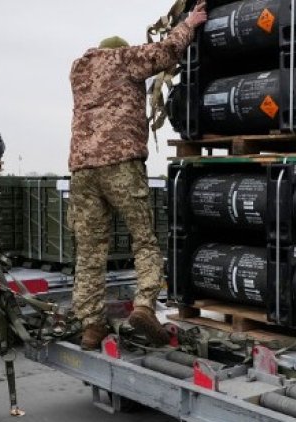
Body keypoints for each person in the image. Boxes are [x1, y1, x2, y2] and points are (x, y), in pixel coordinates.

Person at [68, 2, 208, 350]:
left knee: (89, 251)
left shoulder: (79, 71)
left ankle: (90, 326)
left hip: (82, 169)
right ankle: (144, 305)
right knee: (143, 239)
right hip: (121, 163)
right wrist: (189, 24)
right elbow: (165, 52)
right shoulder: (123, 60)